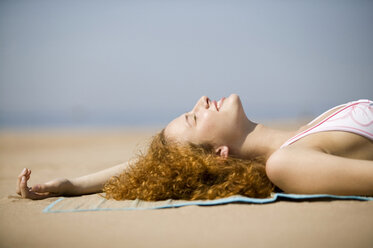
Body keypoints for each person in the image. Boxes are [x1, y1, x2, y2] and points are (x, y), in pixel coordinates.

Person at [16, 94, 373, 200]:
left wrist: (74, 184)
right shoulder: (287, 164)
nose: (201, 100)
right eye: (192, 117)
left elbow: (157, 165)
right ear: (220, 153)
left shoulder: (303, 134)